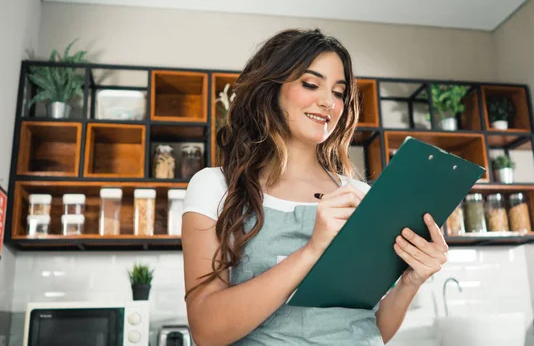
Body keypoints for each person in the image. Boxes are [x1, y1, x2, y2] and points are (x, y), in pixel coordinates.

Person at [182, 28, 449, 345]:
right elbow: (206, 331)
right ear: (271, 89)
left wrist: (410, 281)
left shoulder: (360, 197)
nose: (328, 102)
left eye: (339, 93)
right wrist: (313, 250)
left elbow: (367, 328)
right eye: (311, 84)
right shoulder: (216, 187)